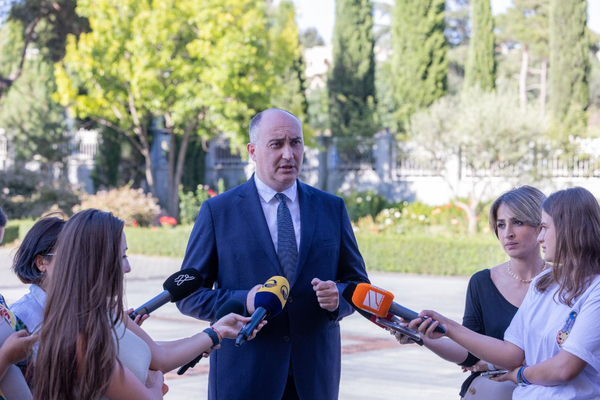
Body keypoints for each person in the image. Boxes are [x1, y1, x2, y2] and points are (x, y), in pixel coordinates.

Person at [177, 108, 370, 400]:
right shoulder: (218, 212)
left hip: (314, 378)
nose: (289, 154)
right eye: (277, 144)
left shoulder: (332, 208)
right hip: (244, 376)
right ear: (253, 151)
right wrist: (246, 300)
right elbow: (188, 295)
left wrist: (339, 297)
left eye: (296, 143)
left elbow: (359, 285)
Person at [33, 209, 263, 400]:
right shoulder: (79, 336)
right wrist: (155, 381)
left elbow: (159, 356)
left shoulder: (106, 309)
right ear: (96, 262)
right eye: (122, 257)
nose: (128, 268)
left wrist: (217, 332)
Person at [415, 187, 600, 399]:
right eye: (501, 225)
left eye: (544, 228)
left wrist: (520, 374)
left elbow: (564, 369)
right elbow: (511, 353)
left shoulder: (595, 289)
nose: (540, 237)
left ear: (570, 229)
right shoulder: (542, 283)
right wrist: (447, 327)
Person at [393, 186, 546, 398]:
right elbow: (469, 355)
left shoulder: (566, 282)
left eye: (518, 222)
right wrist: (421, 336)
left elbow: (567, 356)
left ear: (541, 226)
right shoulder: (482, 282)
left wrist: (491, 363)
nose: (507, 233)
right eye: (501, 225)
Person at [10, 215, 66, 332]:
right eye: (67, 255)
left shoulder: (80, 308)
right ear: (41, 262)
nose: (76, 262)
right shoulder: (18, 317)